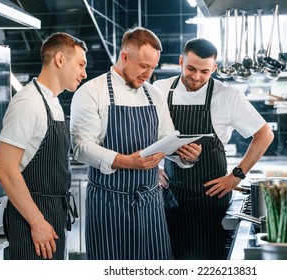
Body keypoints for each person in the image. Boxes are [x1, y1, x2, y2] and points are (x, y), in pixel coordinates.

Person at [70, 27, 201, 260]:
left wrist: (184, 155)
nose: (148, 74)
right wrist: (125, 161)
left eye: (152, 67)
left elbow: (166, 138)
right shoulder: (91, 92)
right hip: (110, 205)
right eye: (143, 66)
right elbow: (81, 147)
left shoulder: (153, 94)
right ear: (124, 57)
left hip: (150, 203)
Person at [153, 38, 274, 260]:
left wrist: (236, 176)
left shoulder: (227, 96)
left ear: (214, 69)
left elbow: (265, 134)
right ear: (181, 61)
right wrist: (152, 169)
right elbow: (146, 135)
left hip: (210, 201)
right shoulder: (159, 90)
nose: (196, 77)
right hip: (170, 199)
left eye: (204, 71)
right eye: (190, 68)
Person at [0, 32, 88, 260]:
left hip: (54, 214)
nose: (84, 74)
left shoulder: (52, 103)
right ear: (59, 59)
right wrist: (37, 222)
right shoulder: (28, 103)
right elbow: (6, 171)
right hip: (32, 220)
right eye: (80, 65)